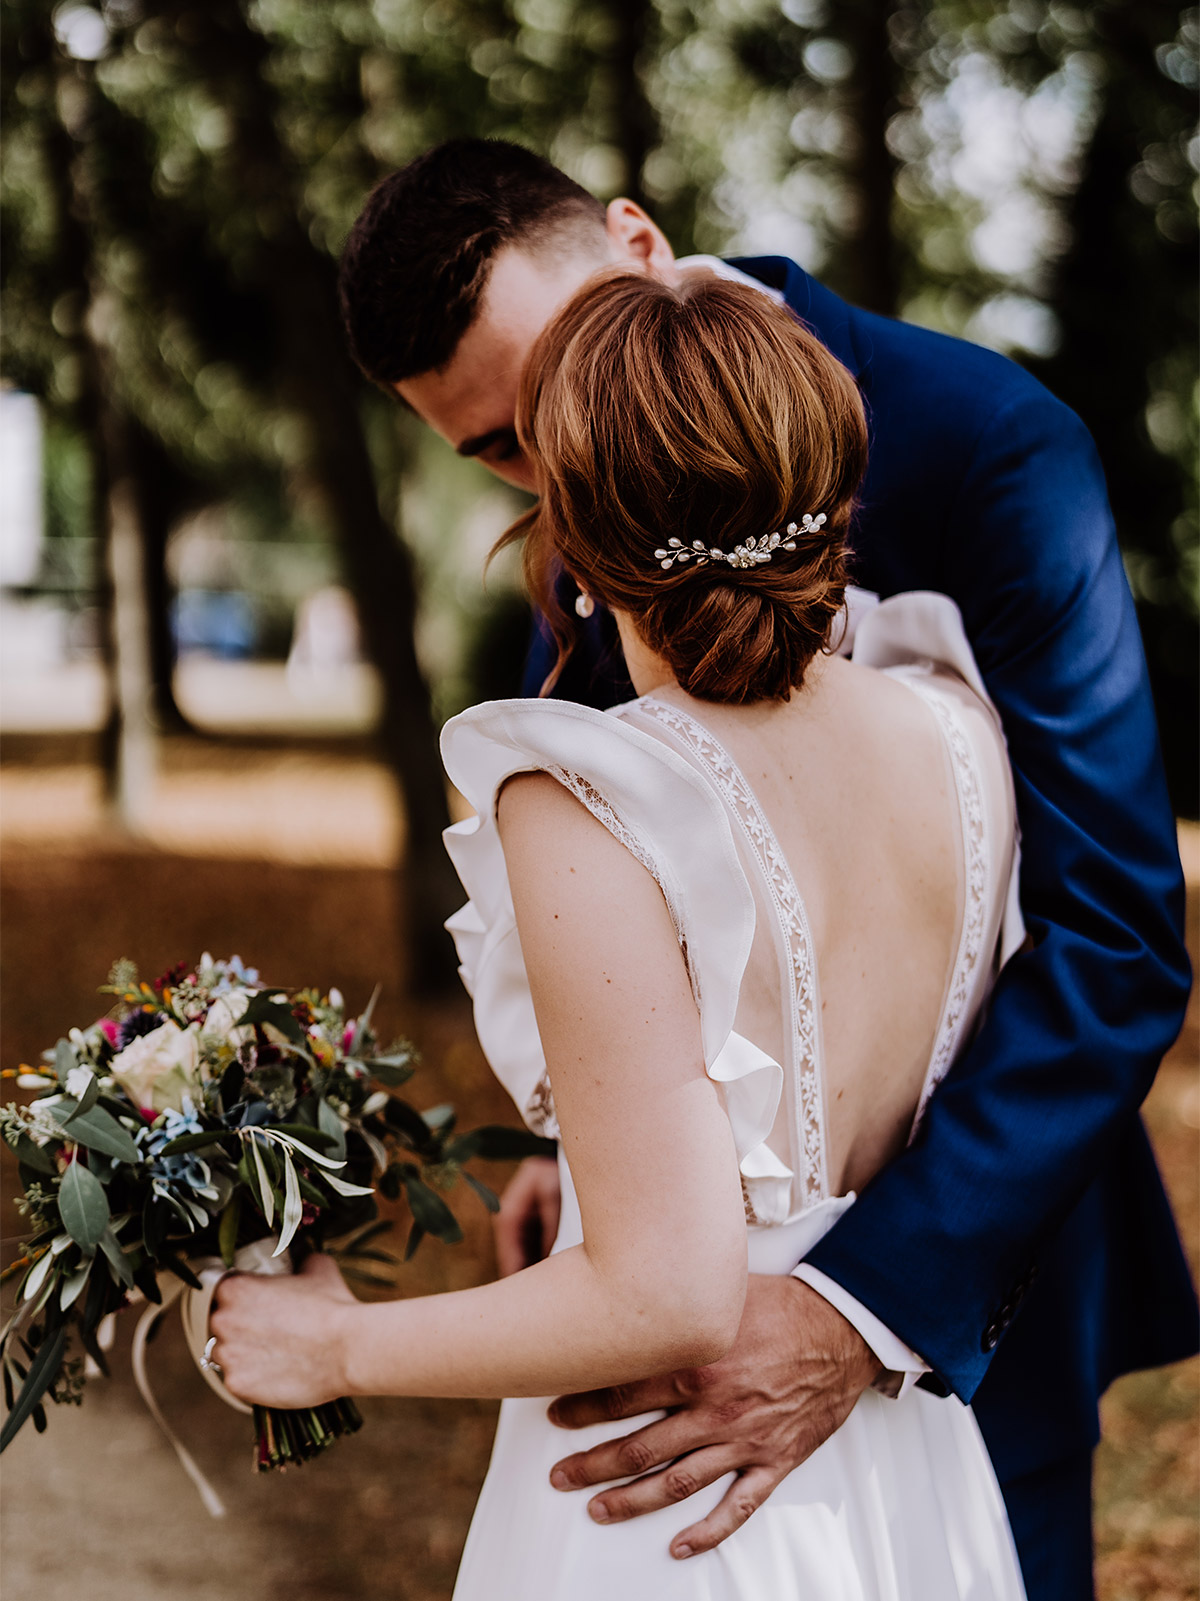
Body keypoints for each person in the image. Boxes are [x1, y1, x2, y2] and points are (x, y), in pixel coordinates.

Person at [329, 139, 1198, 1600]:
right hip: (656, 1376)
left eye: (549, 395)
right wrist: (599, 1138)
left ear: (637, 236)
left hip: (973, 1312)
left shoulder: (985, 441)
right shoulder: (571, 527)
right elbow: (676, 890)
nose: (556, 482)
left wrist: (864, 1306)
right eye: (496, 452)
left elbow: (1116, 933)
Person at [212, 267, 1032, 1598]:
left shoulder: (588, 793)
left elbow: (667, 1291)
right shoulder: (961, 735)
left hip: (672, 1495)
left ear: (573, 534)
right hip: (903, 1468)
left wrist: (333, 1347)